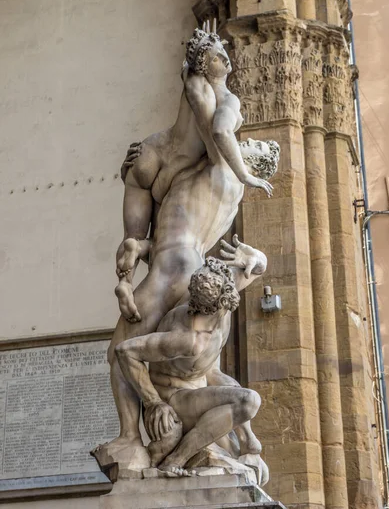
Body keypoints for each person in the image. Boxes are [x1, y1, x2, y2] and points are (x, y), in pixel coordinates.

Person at [100, 136, 279, 468]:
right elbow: (254, 269)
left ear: (256, 166)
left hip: (170, 266)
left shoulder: (222, 165)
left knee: (118, 352)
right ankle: (206, 449)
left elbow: (210, 118)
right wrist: (256, 256)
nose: (248, 138)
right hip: (191, 262)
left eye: (256, 145)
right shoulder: (226, 188)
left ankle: (130, 437)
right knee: (202, 362)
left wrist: (147, 162)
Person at [115, 25, 273, 321]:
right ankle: (137, 256)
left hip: (152, 152)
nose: (226, 60)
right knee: (165, 238)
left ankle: (125, 279)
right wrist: (244, 174)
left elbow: (189, 68)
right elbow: (220, 132)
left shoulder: (191, 79)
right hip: (182, 170)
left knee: (134, 235)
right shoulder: (227, 100)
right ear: (216, 63)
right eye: (221, 55)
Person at [115, 250, 267, 478]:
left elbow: (256, 268)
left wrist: (256, 258)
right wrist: (154, 402)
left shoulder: (222, 286)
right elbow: (124, 351)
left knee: (230, 385)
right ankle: (176, 459)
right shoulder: (187, 339)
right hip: (175, 396)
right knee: (249, 401)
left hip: (201, 379)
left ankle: (247, 445)